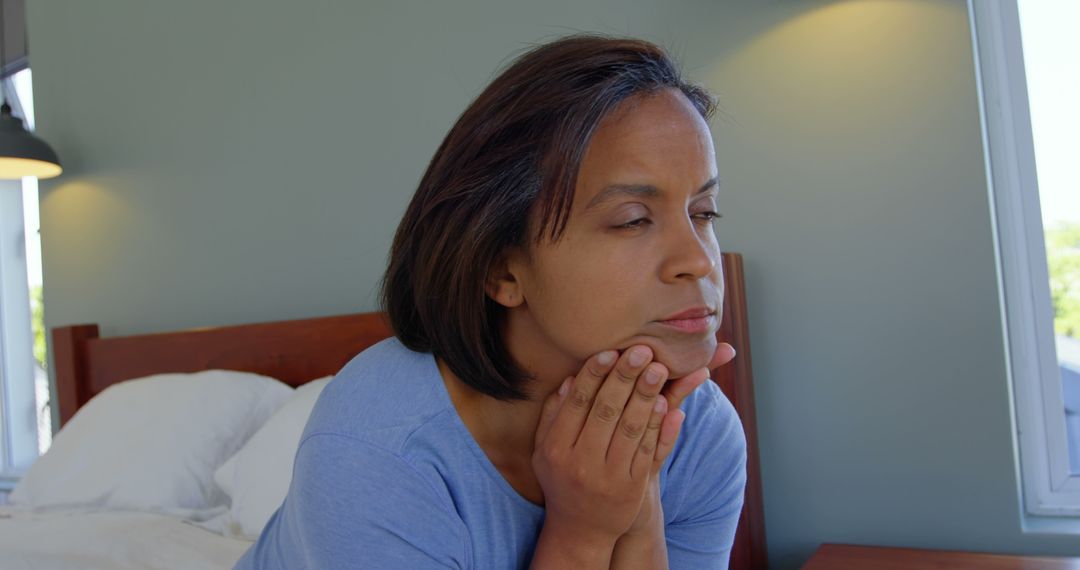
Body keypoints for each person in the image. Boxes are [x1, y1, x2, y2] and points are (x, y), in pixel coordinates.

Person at [235, 33, 747, 569]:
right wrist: (584, 532)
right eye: (632, 220)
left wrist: (637, 500)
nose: (699, 260)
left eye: (704, 212)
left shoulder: (702, 434)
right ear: (501, 268)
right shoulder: (375, 452)